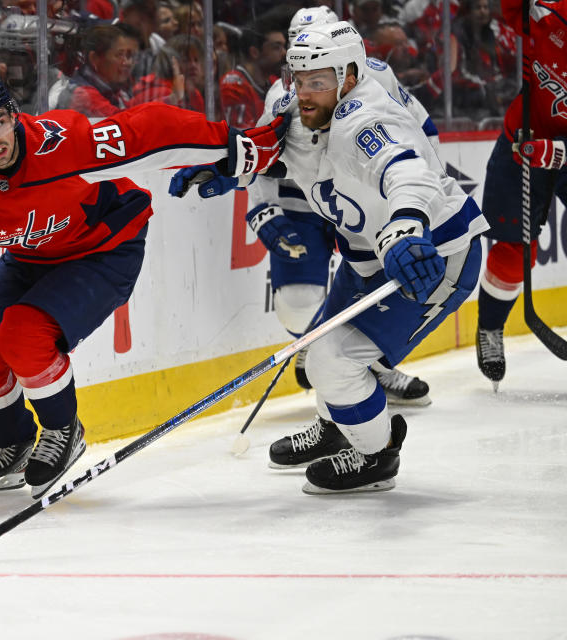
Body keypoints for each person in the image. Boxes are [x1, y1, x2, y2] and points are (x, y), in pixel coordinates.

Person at [0, 68, 289, 498]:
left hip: (104, 248)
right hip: (33, 255)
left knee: (24, 335)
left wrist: (239, 146)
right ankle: (13, 445)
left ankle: (63, 432)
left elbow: (151, 130)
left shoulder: (65, 144)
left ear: (14, 115)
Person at [169, 21, 488, 494]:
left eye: (318, 81)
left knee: (334, 361)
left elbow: (407, 172)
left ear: (351, 77)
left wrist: (405, 225)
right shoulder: (303, 110)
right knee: (319, 346)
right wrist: (226, 171)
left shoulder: (364, 120)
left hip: (429, 257)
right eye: (299, 80)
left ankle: (377, 455)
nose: (304, 93)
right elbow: (278, 150)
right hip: (368, 257)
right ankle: (338, 425)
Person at [199, 7, 440, 406]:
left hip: (364, 200)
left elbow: (420, 124)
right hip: (304, 201)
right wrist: (262, 211)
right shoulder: (285, 93)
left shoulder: (375, 74)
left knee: (379, 287)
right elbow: (259, 149)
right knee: (296, 305)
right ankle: (323, 347)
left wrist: (420, 192)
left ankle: (369, 365)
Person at [474, 0, 567, 390]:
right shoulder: (549, 12)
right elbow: (509, 9)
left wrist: (560, 152)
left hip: (558, 150)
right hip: (523, 140)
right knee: (514, 254)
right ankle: (490, 328)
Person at [55, 24, 139, 117]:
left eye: (127, 55)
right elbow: (126, 121)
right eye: (119, 55)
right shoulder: (83, 95)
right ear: (94, 58)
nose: (127, 62)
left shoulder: (115, 90)